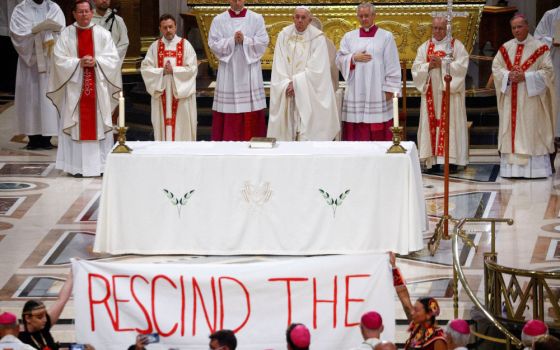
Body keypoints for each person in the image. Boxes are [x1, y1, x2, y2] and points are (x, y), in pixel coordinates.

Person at [47, 0, 120, 177]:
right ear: (74, 14)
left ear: (92, 12)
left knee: (98, 125)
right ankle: (75, 167)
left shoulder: (102, 34)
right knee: (76, 125)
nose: (84, 15)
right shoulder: (66, 34)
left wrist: (97, 61)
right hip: (75, 90)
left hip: (97, 89)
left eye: (87, 11)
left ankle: (100, 166)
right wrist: (78, 62)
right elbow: (58, 59)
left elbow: (113, 58)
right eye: (80, 12)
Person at [492, 14, 556, 178]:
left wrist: (526, 77)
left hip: (531, 100)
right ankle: (511, 171)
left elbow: (548, 73)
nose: (516, 30)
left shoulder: (540, 48)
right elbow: (497, 68)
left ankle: (535, 171)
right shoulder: (505, 48)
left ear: (527, 26)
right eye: (513, 27)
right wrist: (508, 76)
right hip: (511, 98)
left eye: (519, 26)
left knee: (532, 131)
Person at [268, 6, 339, 141]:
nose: (300, 20)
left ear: (309, 20)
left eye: (303, 17)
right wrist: (286, 83)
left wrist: (297, 84)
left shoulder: (318, 38)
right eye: (297, 17)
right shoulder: (284, 34)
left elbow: (318, 69)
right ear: (293, 18)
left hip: (308, 91)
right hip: (287, 89)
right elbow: (279, 62)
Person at [335, 2, 401, 141]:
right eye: (361, 16)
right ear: (357, 17)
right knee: (357, 129)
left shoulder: (386, 36)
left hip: (377, 90)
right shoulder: (349, 37)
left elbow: (392, 64)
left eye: (367, 16)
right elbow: (339, 59)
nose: (364, 19)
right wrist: (353, 58)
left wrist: (390, 89)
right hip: (356, 90)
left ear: (373, 16)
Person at [412, 17, 469, 171]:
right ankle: (432, 161)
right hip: (431, 94)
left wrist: (443, 64)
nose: (437, 31)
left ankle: (450, 160)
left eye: (441, 28)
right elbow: (416, 69)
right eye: (435, 28)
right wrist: (428, 66)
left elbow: (462, 67)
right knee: (432, 124)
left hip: (449, 94)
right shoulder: (424, 48)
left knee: (449, 124)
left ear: (447, 29)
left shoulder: (456, 46)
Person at [208, 0, 269, 141]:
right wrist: (231, 41)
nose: (237, 2)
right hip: (228, 70)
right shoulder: (218, 20)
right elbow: (213, 43)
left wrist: (245, 40)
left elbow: (263, 41)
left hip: (249, 70)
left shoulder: (256, 18)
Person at [9, 0, 65, 150]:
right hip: (30, 65)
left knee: (47, 98)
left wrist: (47, 33)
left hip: (48, 60)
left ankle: (47, 137)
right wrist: (37, 34)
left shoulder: (54, 7)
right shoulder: (20, 9)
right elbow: (17, 35)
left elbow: (61, 31)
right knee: (31, 98)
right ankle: (33, 137)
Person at [141, 13, 198, 141]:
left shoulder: (186, 45)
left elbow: (192, 68)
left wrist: (174, 71)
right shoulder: (154, 47)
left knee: (182, 129)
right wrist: (162, 72)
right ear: (160, 29)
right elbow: (145, 69)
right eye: (165, 27)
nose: (168, 30)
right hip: (162, 93)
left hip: (181, 95)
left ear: (175, 27)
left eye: (170, 27)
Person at [18, 273, 73, 350]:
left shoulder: (44, 325)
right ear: (27, 318)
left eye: (45, 315)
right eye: (40, 317)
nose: (45, 319)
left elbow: (62, 300)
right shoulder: (18, 338)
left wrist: (72, 275)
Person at [534, 6, 560, 168]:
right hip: (555, 66)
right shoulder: (551, 15)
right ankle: (554, 143)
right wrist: (553, 40)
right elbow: (538, 39)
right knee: (555, 107)